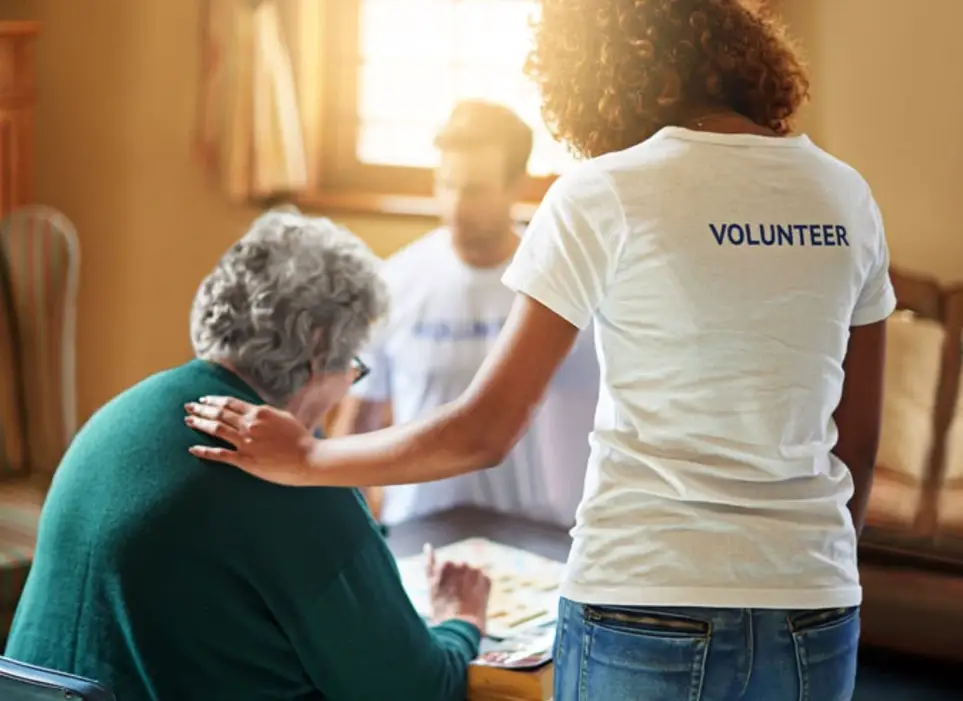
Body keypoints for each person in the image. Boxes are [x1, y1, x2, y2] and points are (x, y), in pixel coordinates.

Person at [184, 2, 895, 699]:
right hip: (816, 603)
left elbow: (486, 430)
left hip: (645, 596)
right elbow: (858, 441)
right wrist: (813, 564)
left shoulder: (605, 192)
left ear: (617, 74)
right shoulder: (846, 195)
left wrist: (307, 458)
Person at [5, 210, 491, 701]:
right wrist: (460, 620)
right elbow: (418, 690)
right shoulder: (293, 480)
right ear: (318, 351)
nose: (347, 388)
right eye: (354, 367)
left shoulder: (116, 417)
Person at [331, 100, 598, 529]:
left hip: (539, 532)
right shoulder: (394, 282)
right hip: (418, 530)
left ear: (516, 185)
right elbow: (356, 424)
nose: (456, 206)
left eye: (475, 190)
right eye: (447, 184)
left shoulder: (565, 281)